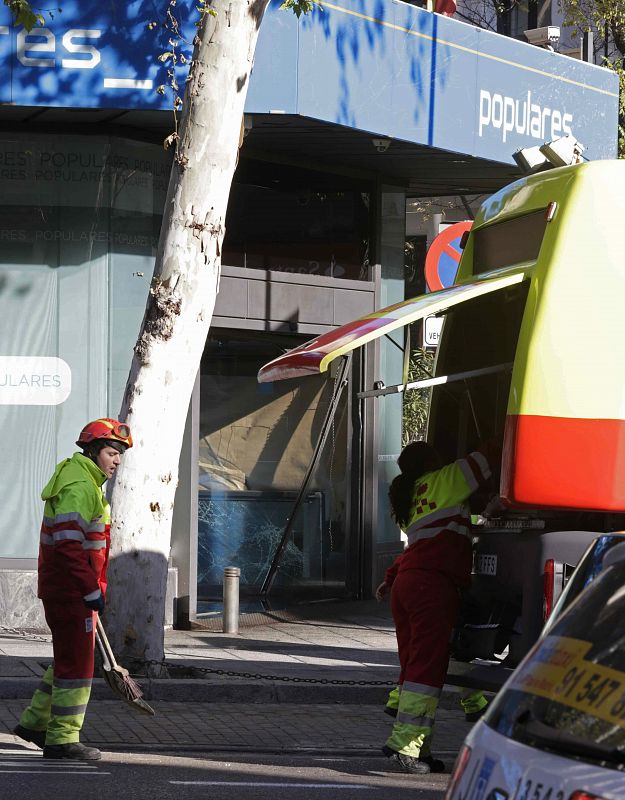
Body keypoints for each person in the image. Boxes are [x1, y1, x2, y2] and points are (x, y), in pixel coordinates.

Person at [13, 418, 132, 761]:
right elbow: (68, 545)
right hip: (72, 591)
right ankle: (62, 739)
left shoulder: (83, 480)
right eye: (112, 453)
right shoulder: (81, 485)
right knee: (78, 667)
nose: (117, 461)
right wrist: (89, 589)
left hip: (67, 589)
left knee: (66, 659)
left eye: (119, 455)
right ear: (93, 451)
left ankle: (33, 725)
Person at [376, 441, 495, 775]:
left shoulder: (409, 493)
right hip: (432, 586)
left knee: (415, 661)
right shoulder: (446, 479)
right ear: (432, 461)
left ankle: (418, 744)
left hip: (408, 582)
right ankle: (406, 746)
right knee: (427, 669)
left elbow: (437, 533)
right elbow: (487, 457)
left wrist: (389, 577)